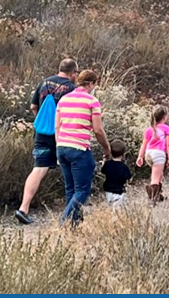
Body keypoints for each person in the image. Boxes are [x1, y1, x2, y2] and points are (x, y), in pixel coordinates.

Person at [15, 57, 78, 225]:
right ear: (73, 73)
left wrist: (42, 123)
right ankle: (71, 211)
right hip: (63, 135)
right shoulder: (72, 88)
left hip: (42, 134)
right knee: (71, 168)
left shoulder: (44, 83)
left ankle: (23, 208)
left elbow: (33, 107)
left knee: (38, 169)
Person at [55, 69, 112, 226]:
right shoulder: (92, 101)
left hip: (62, 146)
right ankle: (63, 222)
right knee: (82, 190)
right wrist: (106, 148)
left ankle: (74, 224)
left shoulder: (63, 100)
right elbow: (98, 130)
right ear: (91, 84)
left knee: (70, 189)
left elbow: (57, 127)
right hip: (79, 148)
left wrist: (58, 145)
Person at [136, 106, 169, 205]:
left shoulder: (149, 129)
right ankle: (152, 198)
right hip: (159, 154)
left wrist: (140, 156)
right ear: (164, 117)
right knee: (155, 177)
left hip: (148, 154)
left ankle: (158, 194)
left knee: (159, 174)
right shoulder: (166, 128)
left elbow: (144, 144)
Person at [102, 139, 132, 209]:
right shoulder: (124, 167)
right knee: (117, 211)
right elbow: (128, 178)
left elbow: (103, 171)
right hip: (119, 192)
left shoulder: (107, 164)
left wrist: (105, 160)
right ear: (123, 154)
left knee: (110, 207)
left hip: (108, 191)